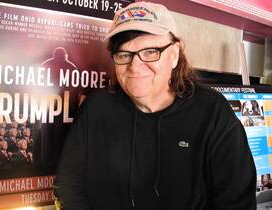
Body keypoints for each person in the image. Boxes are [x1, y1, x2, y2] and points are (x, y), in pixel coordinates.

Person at [54, 2, 256, 210]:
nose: (135, 66)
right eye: (124, 55)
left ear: (175, 54)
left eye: (150, 51)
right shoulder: (97, 108)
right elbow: (68, 185)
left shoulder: (212, 113)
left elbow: (237, 201)